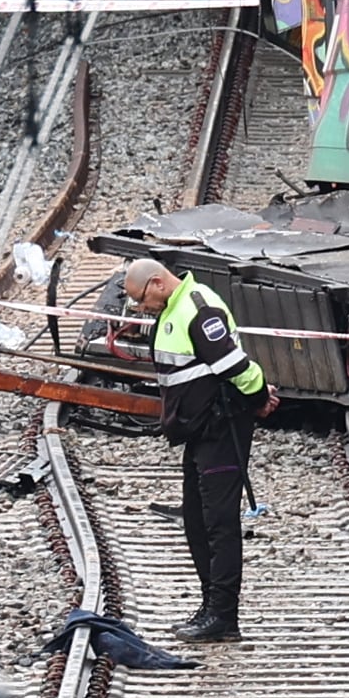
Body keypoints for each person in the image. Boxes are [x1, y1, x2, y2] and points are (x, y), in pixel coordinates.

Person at [118, 257, 268, 643]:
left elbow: (237, 365)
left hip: (222, 427)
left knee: (220, 524)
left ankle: (223, 616)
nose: (140, 308)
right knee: (197, 521)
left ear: (156, 283)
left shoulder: (199, 309)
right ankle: (209, 607)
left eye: (140, 299)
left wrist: (260, 397)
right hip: (200, 431)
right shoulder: (174, 309)